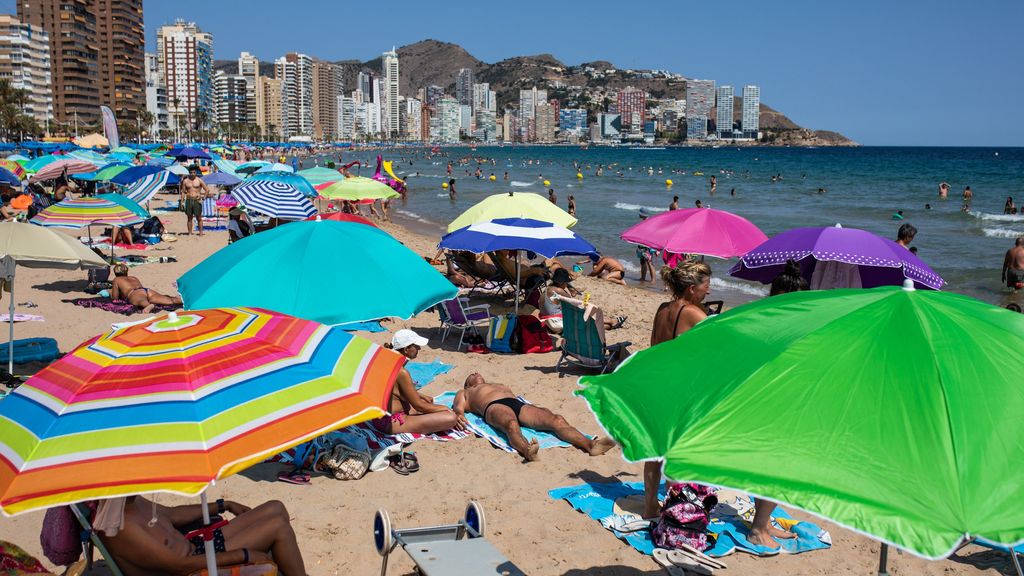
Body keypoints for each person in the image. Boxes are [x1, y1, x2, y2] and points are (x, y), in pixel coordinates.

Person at [644, 262, 712, 517]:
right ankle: (675, 510)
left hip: (657, 385)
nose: (709, 290)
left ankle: (650, 504)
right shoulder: (693, 313)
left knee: (655, 451)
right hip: (679, 390)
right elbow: (715, 347)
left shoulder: (663, 309)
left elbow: (653, 347)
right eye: (706, 286)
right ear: (692, 288)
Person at [96, 495, 306, 576]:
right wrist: (243, 555)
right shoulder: (118, 527)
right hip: (193, 568)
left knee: (275, 508)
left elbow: (172, 515)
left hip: (196, 548)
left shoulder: (128, 500)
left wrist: (223, 505)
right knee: (278, 527)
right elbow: (178, 566)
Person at [453, 373, 615, 462]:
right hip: (494, 406)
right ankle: (527, 451)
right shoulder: (466, 392)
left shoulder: (498, 385)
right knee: (511, 424)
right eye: (470, 375)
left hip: (516, 404)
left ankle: (590, 445)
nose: (475, 373)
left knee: (555, 419)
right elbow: (458, 408)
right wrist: (459, 415)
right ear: (468, 384)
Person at [375, 330, 465, 435]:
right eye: (416, 346)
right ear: (406, 349)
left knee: (428, 403)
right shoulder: (402, 372)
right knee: (450, 418)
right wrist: (447, 409)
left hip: (379, 416)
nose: (419, 348)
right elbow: (419, 406)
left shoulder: (387, 361)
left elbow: (394, 389)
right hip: (391, 422)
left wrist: (420, 395)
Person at [110, 263, 182, 313]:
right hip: (146, 290)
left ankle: (148, 305)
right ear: (126, 272)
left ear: (115, 273)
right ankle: (180, 300)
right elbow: (141, 290)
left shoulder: (117, 279)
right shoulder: (133, 278)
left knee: (141, 300)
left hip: (134, 293)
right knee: (170, 301)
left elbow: (115, 298)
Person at [179, 165, 211, 236]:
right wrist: (182, 201)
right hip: (189, 200)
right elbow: (183, 192)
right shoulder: (185, 181)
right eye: (191, 172)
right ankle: (190, 233)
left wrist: (203, 198)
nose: (192, 174)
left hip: (197, 200)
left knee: (199, 217)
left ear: (196, 173)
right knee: (189, 217)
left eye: (194, 172)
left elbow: (207, 190)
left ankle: (201, 233)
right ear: (189, 173)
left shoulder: (199, 180)